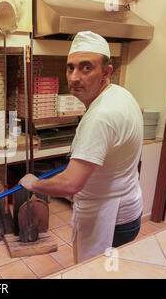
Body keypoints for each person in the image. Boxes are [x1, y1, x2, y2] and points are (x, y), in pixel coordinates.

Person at [19, 31, 144, 263]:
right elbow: (140, 111)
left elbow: (70, 184)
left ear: (106, 72)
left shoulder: (100, 117)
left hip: (108, 221)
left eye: (86, 68)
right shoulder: (121, 94)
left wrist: (34, 183)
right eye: (70, 67)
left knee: (95, 274)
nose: (75, 77)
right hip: (129, 210)